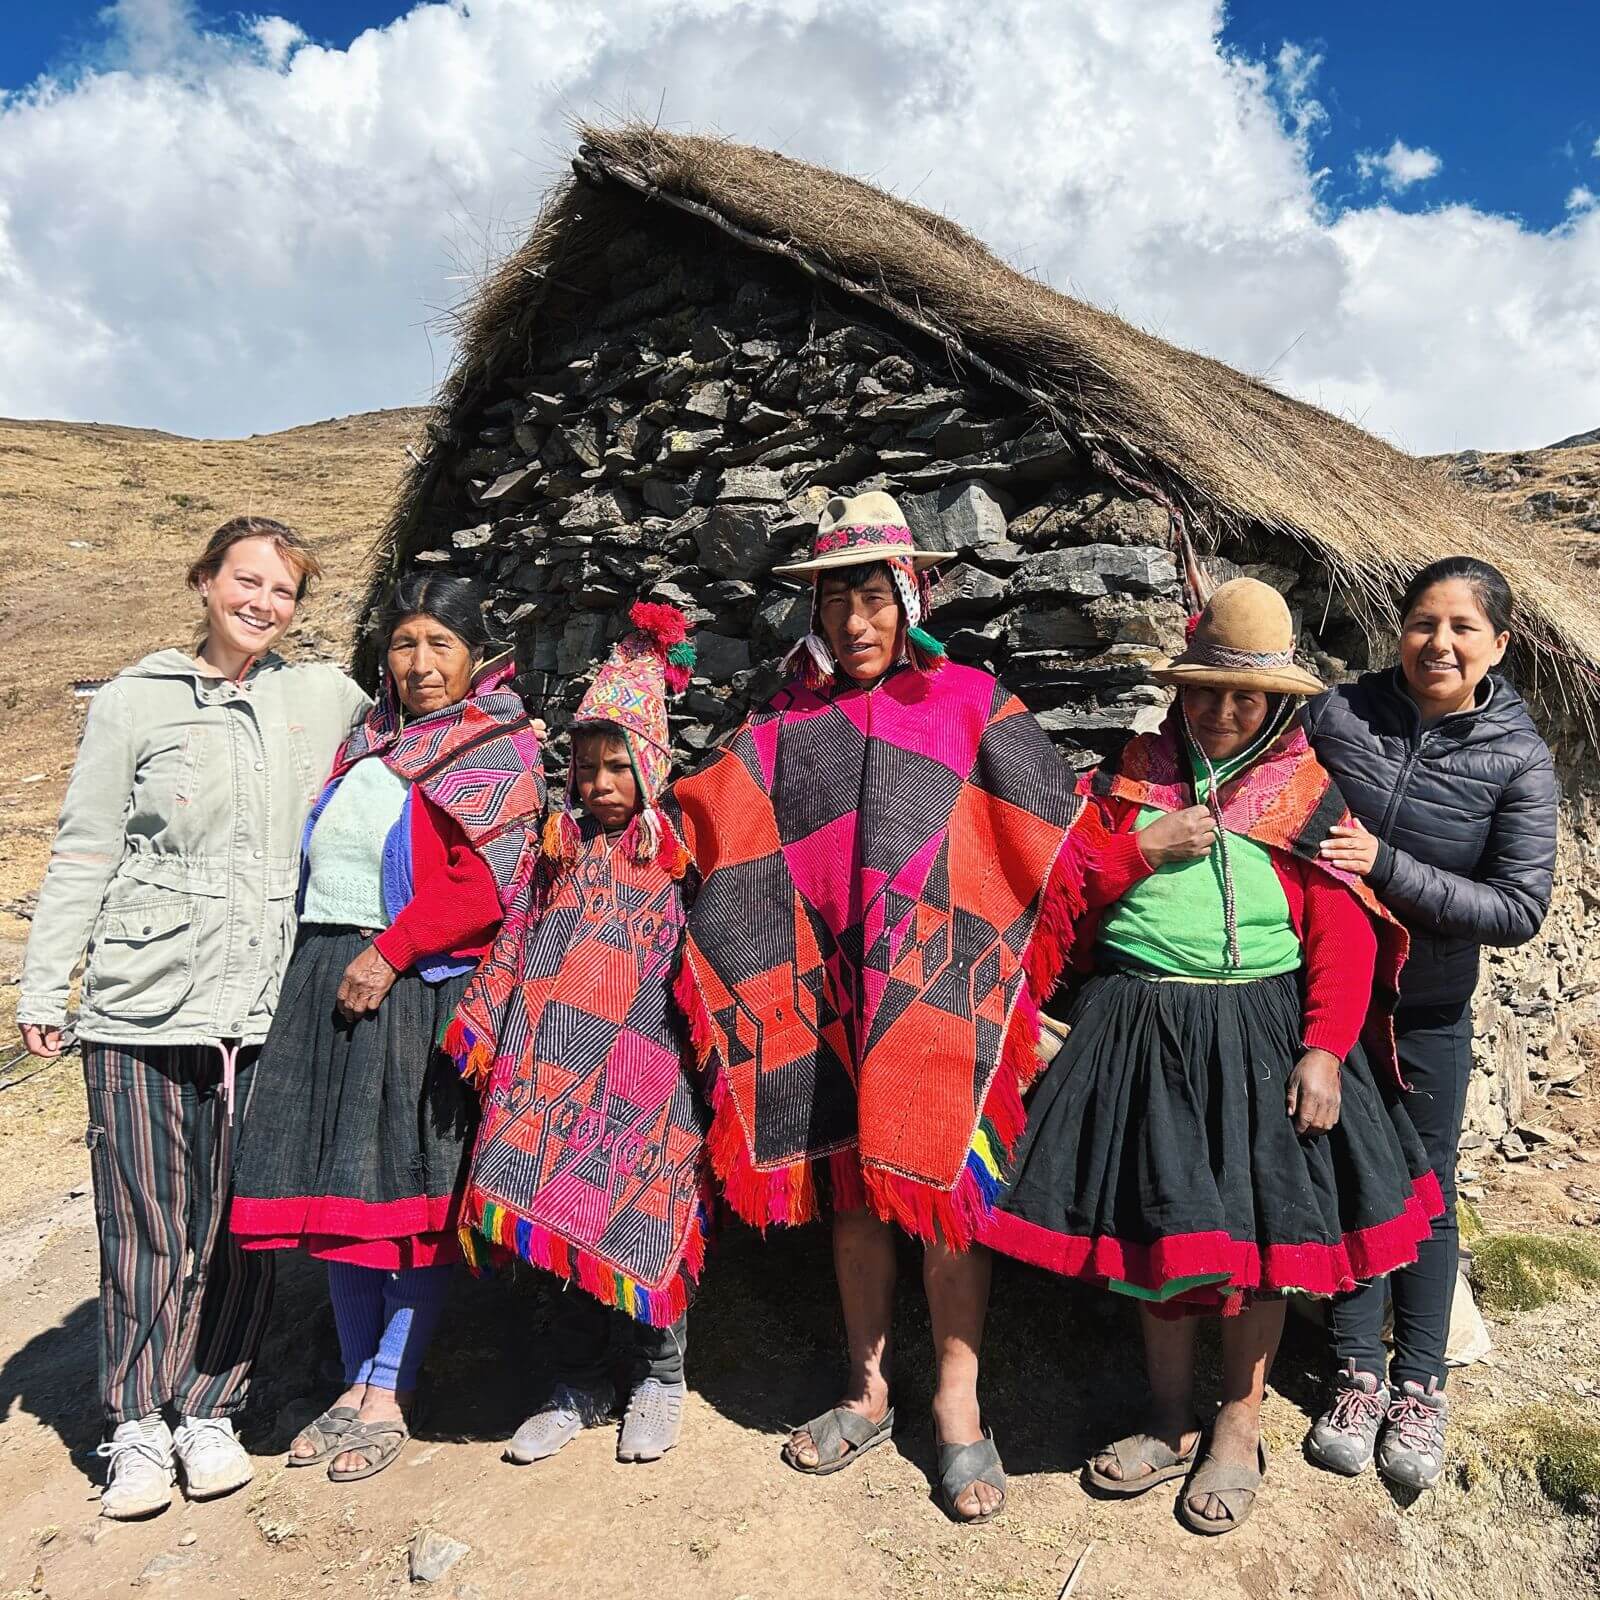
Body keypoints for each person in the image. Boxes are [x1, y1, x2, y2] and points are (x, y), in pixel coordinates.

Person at [669, 491, 1097, 1523]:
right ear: (812, 611)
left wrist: (1136, 849)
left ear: (908, 595)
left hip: (932, 986)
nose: (855, 622)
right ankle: (866, 1386)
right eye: (835, 601)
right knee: (854, 1198)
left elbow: (1051, 828)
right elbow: (709, 823)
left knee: (943, 1191)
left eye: (872, 597)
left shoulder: (965, 704)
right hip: (829, 990)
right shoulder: (783, 727)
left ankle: (958, 1400)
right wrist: (634, 827)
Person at [983, 578, 1442, 1536]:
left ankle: (1237, 1423)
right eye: (1204, 690)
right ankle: (1166, 1417)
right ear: (1177, 690)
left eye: (1245, 697)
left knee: (1261, 1242)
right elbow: (1066, 891)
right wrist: (1143, 848)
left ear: (1277, 702)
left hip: (1260, 1033)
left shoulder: (1306, 792)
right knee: (1161, 1227)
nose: (1223, 712)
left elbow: (1343, 936)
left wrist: (1323, 1051)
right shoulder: (1131, 778)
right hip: (1138, 1029)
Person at [15, 516, 370, 1519]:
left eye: (282, 591)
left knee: (240, 1220)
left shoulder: (321, 696)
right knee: (143, 1221)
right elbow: (86, 843)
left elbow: (414, 738)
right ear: (206, 580)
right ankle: (135, 1419)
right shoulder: (136, 699)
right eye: (245, 581)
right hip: (141, 998)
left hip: (264, 1006)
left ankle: (211, 1406)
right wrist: (48, 987)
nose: (262, 603)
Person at [230, 573, 545, 1483]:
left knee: (403, 1193)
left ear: (476, 654)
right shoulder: (368, 740)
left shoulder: (497, 748)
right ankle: (350, 1379)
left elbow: (481, 885)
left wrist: (392, 952)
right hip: (330, 973)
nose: (420, 663)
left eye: (440, 644)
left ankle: (392, 1388)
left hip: (411, 984)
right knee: (336, 1188)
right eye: (405, 644)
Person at [1302, 556, 1556, 1489]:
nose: (1438, 643)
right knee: (1344, 1172)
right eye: (1421, 623)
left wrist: (1387, 868)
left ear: (1498, 643)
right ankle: (1356, 1371)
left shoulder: (1518, 757)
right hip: (1327, 994)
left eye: (1461, 627)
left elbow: (1519, 908)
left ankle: (1420, 1384)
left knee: (1425, 1184)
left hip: (1430, 1009)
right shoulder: (1338, 715)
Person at [450, 602, 712, 1467]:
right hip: (546, 1065)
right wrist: (487, 1020)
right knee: (552, 1224)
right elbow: (520, 935)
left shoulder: (672, 857)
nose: (600, 783)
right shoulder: (552, 852)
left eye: (618, 767)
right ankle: (576, 1383)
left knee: (637, 1214)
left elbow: (704, 959)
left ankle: (658, 1378)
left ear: (649, 766)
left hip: (642, 1069)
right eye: (589, 767)